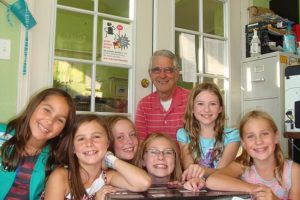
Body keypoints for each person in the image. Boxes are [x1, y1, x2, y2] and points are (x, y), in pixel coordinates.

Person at [42, 114, 151, 200]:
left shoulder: (107, 177)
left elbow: (144, 182)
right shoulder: (62, 177)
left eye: (96, 136)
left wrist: (110, 158)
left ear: (108, 142)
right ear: (73, 148)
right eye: (81, 139)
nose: (89, 143)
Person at [0, 88, 76, 200]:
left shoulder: (56, 158)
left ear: (63, 131)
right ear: (33, 106)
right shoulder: (2, 134)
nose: (50, 121)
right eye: (47, 110)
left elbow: (91, 155)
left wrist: (111, 161)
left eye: (60, 120)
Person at [206, 110, 300, 199]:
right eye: (251, 136)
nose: (258, 141)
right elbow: (212, 181)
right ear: (243, 143)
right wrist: (255, 189)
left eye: (264, 134)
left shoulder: (293, 171)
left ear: (276, 137)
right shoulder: (242, 166)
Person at [177, 83, 240, 177]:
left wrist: (200, 170)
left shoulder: (232, 135)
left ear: (220, 109)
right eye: (200, 104)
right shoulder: (183, 135)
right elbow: (189, 167)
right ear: (192, 108)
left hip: (221, 186)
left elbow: (222, 173)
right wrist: (194, 172)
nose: (206, 109)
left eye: (213, 104)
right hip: (194, 185)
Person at [135, 49, 190, 141]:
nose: (162, 75)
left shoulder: (192, 100)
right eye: (156, 70)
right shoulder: (144, 105)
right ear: (150, 74)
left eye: (168, 70)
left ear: (177, 74)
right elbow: (141, 143)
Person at [134, 132, 205, 192]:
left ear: (175, 159)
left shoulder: (187, 186)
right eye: (153, 152)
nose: (161, 157)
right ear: (142, 160)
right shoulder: (132, 187)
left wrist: (197, 186)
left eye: (168, 152)